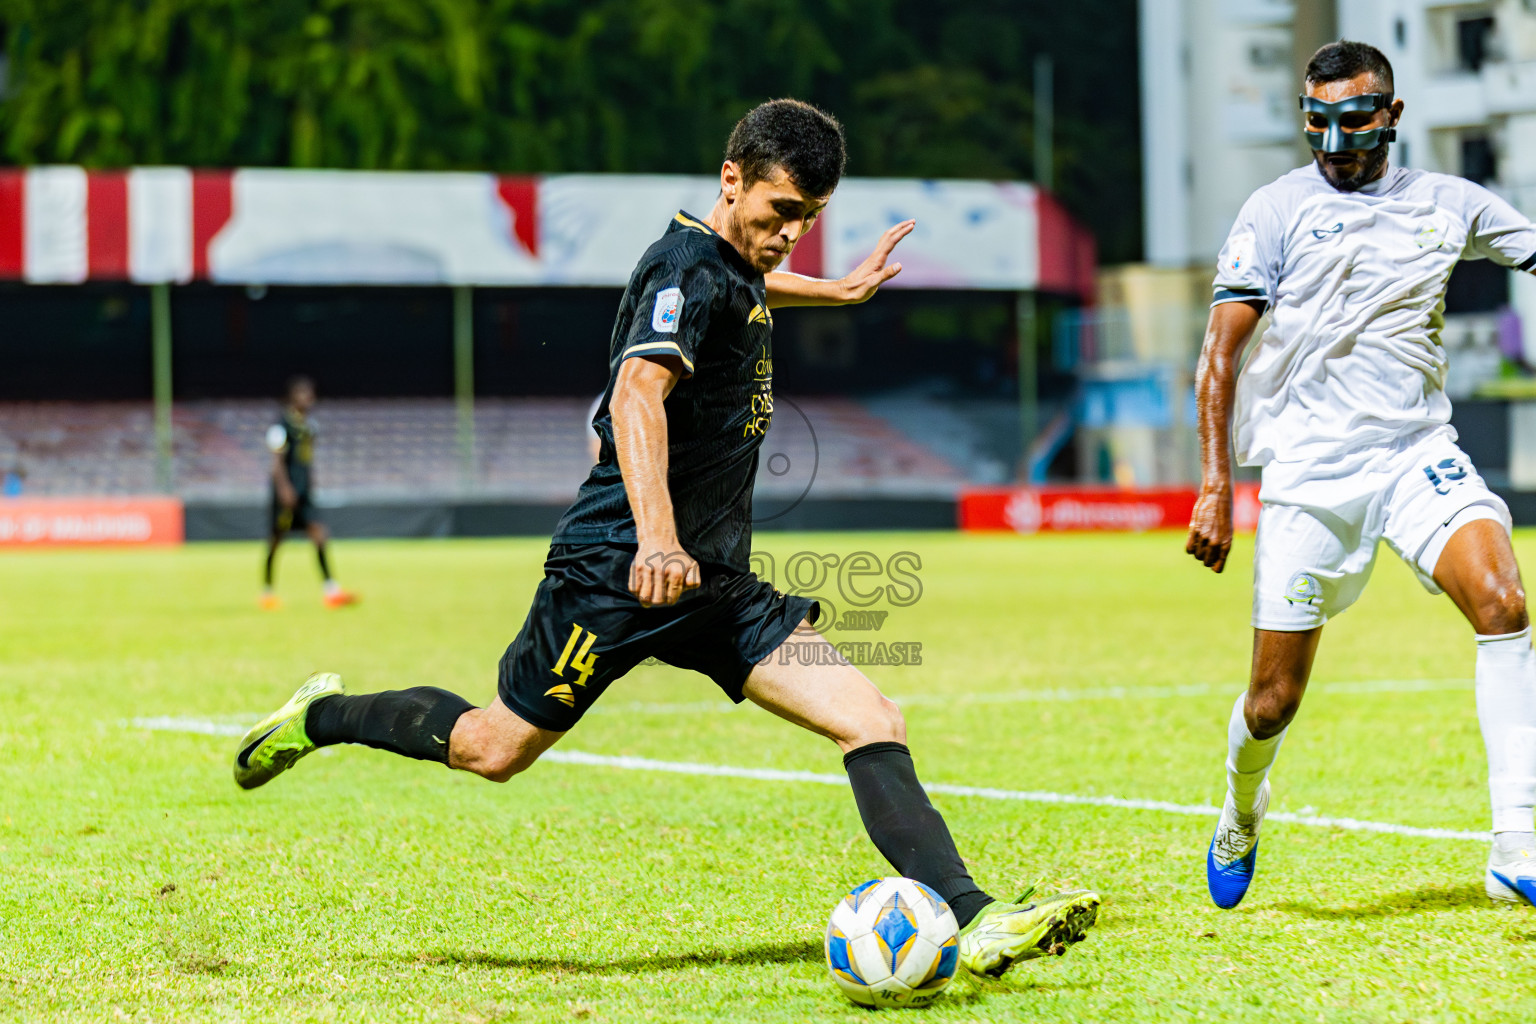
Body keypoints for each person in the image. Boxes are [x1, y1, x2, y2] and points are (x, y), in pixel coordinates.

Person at [234, 99, 1100, 975]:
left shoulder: (732, 268)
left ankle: (973, 918)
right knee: (492, 750)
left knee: (871, 717)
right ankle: (322, 716)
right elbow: (636, 393)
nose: (790, 234)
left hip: (713, 582)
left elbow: (745, 288)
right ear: (732, 179)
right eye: (780, 211)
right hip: (619, 569)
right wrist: (656, 540)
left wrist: (832, 289)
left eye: (808, 218)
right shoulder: (681, 265)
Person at [1187, 41, 1536, 909]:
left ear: (1392, 115)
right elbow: (1219, 356)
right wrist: (1216, 485)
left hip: (1417, 454)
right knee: (1271, 703)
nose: (1335, 141)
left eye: (1353, 120)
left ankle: (1516, 842)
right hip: (1308, 476)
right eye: (1318, 123)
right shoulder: (1275, 210)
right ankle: (1240, 809)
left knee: (1504, 604)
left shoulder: (1449, 203)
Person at [261, 376, 358, 610]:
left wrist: (310, 485)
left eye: (310, 394)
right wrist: (284, 489)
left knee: (319, 534)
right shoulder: (280, 426)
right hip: (286, 494)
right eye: (303, 394)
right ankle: (267, 591)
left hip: (304, 493)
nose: (308, 399)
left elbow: (306, 462)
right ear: (292, 397)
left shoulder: (309, 426)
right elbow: (276, 463)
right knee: (276, 541)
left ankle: (331, 590)